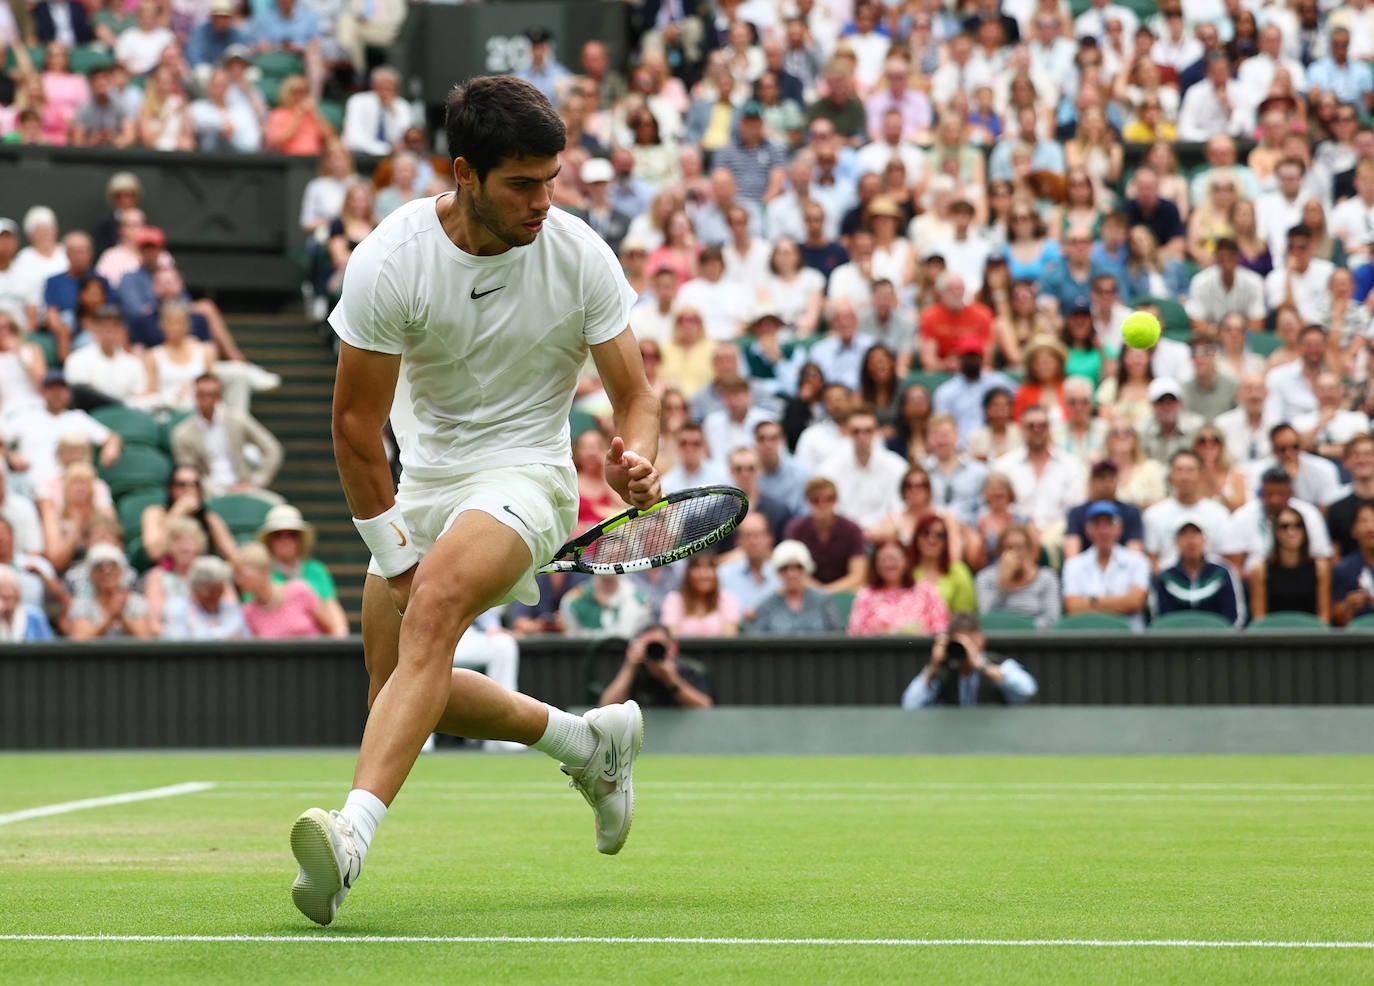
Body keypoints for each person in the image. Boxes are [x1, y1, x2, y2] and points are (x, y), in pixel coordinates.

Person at [292, 77, 662, 926]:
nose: (543, 202)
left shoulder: (578, 254)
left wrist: (638, 456)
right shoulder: (392, 260)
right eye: (521, 184)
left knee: (435, 614)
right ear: (464, 173)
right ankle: (586, 743)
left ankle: (350, 838)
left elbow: (635, 396)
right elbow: (355, 430)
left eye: (551, 181)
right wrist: (391, 555)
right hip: (424, 485)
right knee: (400, 685)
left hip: (529, 474)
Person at [170, 373, 283, 500]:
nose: (207, 399)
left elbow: (272, 448)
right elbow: (189, 471)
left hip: (246, 487)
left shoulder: (237, 420)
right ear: (195, 396)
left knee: (279, 508)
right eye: (202, 394)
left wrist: (257, 480)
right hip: (207, 494)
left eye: (212, 394)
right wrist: (217, 489)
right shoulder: (183, 432)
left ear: (219, 396)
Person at [900, 612, 1039, 708]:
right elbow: (910, 704)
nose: (965, 647)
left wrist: (983, 666)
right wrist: (933, 666)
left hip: (993, 738)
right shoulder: (941, 670)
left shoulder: (997, 663)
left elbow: (1027, 689)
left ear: (981, 640)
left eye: (970, 641)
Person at [257, 503, 349, 637]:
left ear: (300, 540)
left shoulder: (316, 569)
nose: (285, 540)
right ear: (269, 541)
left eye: (292, 535)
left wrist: (340, 639)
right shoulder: (261, 573)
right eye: (278, 535)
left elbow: (332, 607)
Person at [1061, 501, 1152, 631]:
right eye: (1097, 524)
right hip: (1087, 638)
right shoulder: (1073, 564)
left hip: (1130, 641)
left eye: (1109, 523)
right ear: (1088, 529)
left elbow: (1136, 602)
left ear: (1119, 528)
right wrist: (1120, 603)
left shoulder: (1138, 561)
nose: (1103, 530)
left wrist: (1092, 601)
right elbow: (1073, 606)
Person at [847, 539, 950, 637]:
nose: (888, 563)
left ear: (906, 561)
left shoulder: (927, 592)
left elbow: (941, 630)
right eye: (883, 559)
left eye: (893, 558)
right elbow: (854, 633)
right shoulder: (865, 596)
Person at [597, 624, 713, 709]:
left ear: (673, 647)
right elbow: (605, 707)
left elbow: (705, 707)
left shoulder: (691, 669)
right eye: (648, 646)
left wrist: (672, 680)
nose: (654, 650)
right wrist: (630, 666)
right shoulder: (634, 670)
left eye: (658, 645)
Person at [782, 477, 867, 592]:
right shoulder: (796, 529)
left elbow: (857, 575)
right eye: (816, 500)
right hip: (806, 593)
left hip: (845, 592)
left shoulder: (852, 529)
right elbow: (791, 569)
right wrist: (820, 593)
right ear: (807, 501)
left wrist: (826, 592)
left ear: (836, 500)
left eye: (829, 499)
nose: (823, 504)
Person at [1247, 506, 1330, 624]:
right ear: (1276, 532)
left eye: (1298, 525)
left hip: (1311, 636)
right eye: (1284, 526)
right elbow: (1259, 618)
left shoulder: (1320, 568)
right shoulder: (1260, 570)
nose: (1291, 532)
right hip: (1273, 637)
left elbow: (1324, 617)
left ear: (1304, 530)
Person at [1151, 522, 1242, 627]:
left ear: (1204, 540)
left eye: (1195, 534)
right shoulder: (1164, 575)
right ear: (1176, 542)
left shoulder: (1223, 572)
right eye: (1184, 535)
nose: (1191, 541)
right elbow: (1159, 617)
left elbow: (1234, 615)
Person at [746, 539, 844, 634]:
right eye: (785, 568)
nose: (792, 574)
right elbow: (757, 642)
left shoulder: (824, 601)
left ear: (807, 569)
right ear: (778, 571)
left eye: (798, 567)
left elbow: (837, 638)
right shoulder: (766, 605)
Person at [975, 524, 1060, 629]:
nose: (1015, 553)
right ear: (1000, 552)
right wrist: (1003, 583)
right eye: (1009, 548)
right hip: (999, 637)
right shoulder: (985, 578)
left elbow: (1052, 618)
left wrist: (1026, 628)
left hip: (1036, 639)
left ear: (1029, 550)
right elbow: (986, 617)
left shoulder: (1047, 577)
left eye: (1020, 547)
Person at [67, 543, 155, 639]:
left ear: (121, 570)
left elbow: (144, 639)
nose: (107, 570)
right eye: (99, 565)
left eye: (113, 564)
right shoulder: (81, 604)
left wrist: (121, 617)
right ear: (91, 574)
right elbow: (80, 640)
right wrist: (110, 617)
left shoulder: (136, 602)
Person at [160, 555, 249, 640]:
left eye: (219, 591)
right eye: (211, 592)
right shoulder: (177, 608)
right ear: (195, 589)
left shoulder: (231, 609)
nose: (216, 596)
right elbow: (179, 644)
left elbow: (245, 640)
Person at [660, 553, 740, 637]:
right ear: (688, 573)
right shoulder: (674, 599)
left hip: (719, 650)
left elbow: (729, 635)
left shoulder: (726, 598)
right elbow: (672, 636)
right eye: (697, 568)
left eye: (709, 568)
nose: (703, 574)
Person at [558, 573, 651, 638]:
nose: (611, 563)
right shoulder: (571, 602)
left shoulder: (640, 601)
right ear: (596, 559)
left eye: (616, 556)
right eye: (607, 556)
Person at [1330, 503, 1374, 627]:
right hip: (1357, 641)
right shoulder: (1342, 569)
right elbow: (1337, 622)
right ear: (1353, 530)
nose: (1371, 528)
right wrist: (1348, 607)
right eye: (1364, 521)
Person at [0, 566, 54, 641]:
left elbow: (49, 647)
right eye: (2, 589)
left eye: (11, 588)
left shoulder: (35, 615)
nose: (7, 593)